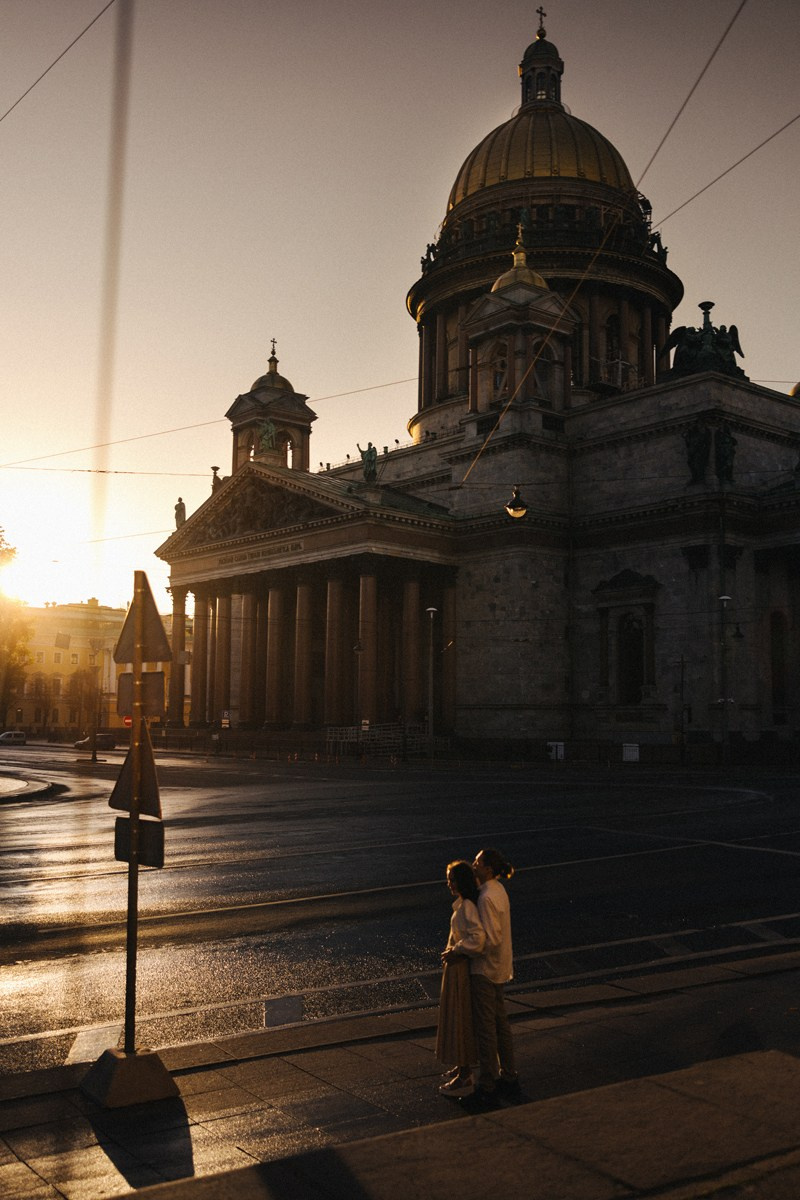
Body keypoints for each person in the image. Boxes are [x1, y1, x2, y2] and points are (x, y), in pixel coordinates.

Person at [470, 847, 518, 1100]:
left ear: (488, 869)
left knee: (486, 1028)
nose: (473, 864)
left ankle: (488, 1082)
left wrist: (463, 949)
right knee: (501, 1024)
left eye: (477, 862)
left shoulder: (486, 897)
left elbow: (490, 939)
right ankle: (509, 1074)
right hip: (501, 967)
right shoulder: (499, 890)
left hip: (486, 970)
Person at [436, 860, 485, 1098]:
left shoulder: (467, 907)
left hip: (459, 971)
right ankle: (461, 1065)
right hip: (455, 969)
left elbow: (478, 938)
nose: (449, 884)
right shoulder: (462, 905)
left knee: (460, 1018)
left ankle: (465, 1073)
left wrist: (456, 950)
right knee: (457, 1017)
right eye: (449, 880)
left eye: (453, 880)